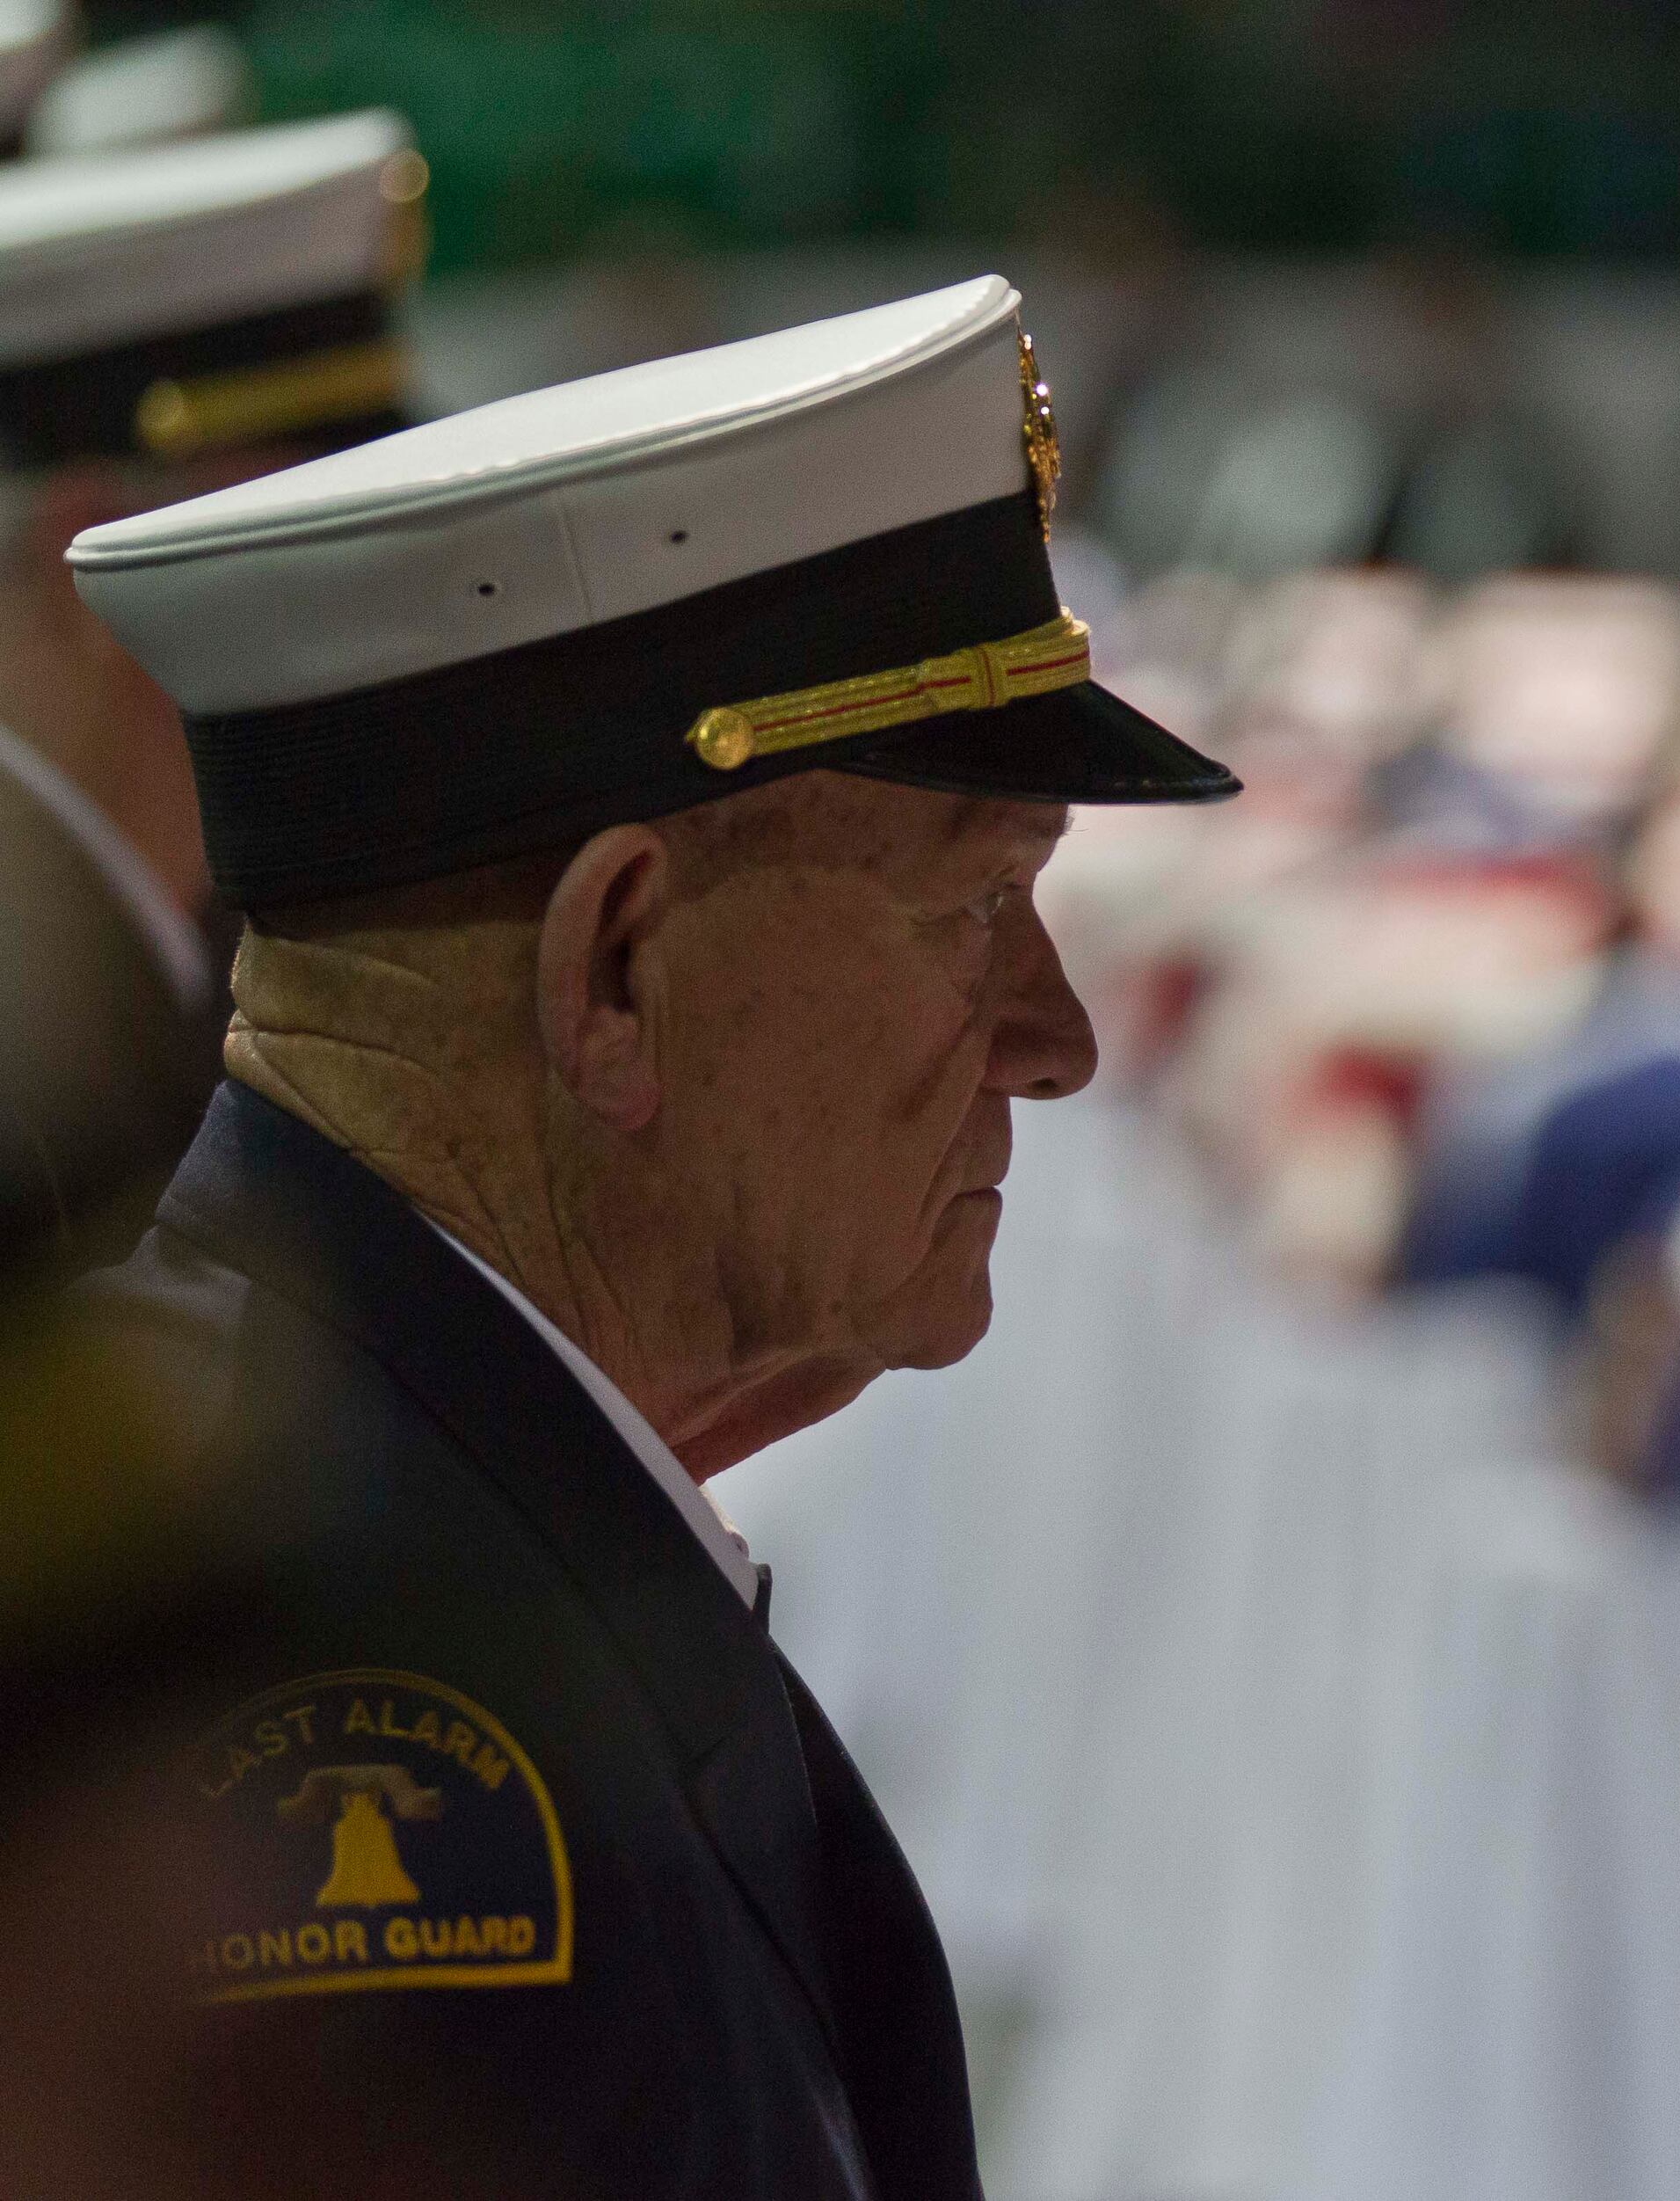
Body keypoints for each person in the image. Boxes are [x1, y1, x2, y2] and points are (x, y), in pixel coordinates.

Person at [56, 275, 1236, 2196]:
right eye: (974, 911)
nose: (1061, 1037)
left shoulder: (379, 1506)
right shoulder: (374, 1722)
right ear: (615, 967)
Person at [0, 112, 425, 1286]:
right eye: (312, 527)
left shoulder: (100, 969)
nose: (391, 599)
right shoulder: (43, 1028)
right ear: (96, 553)